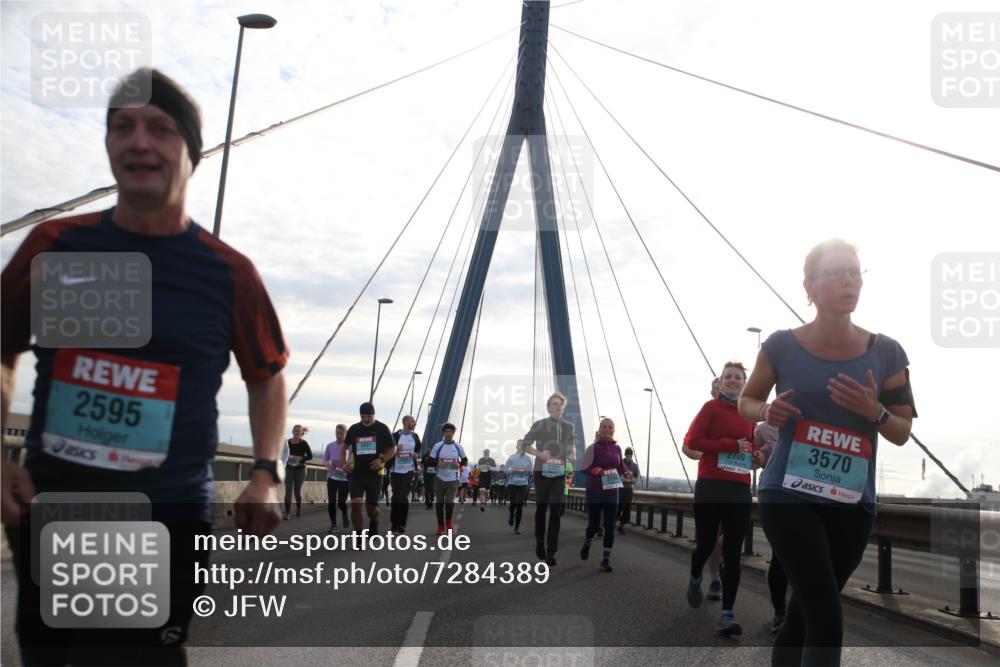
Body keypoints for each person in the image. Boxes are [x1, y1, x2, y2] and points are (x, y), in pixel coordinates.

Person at [0, 68, 288, 665]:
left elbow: (266, 375)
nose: (139, 142)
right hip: (52, 504)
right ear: (107, 145)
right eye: (122, 127)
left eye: (160, 129)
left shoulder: (226, 272)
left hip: (164, 514)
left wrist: (264, 472)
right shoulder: (58, 246)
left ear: (191, 152)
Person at [739, 239, 916, 666]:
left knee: (803, 617)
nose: (849, 282)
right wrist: (766, 410)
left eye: (855, 273)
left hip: (852, 504)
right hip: (789, 494)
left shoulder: (888, 352)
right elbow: (747, 400)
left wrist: (872, 411)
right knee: (825, 616)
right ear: (810, 286)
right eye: (836, 273)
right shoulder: (780, 346)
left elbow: (902, 431)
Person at [684, 361, 757, 637]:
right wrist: (730, 445)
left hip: (739, 488)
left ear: (744, 383)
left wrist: (756, 455)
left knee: (733, 553)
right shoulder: (710, 408)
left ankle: (727, 614)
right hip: (711, 485)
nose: (733, 380)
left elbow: (750, 447)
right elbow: (694, 441)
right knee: (705, 543)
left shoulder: (750, 415)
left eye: (738, 377)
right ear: (722, 381)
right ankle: (695, 576)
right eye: (728, 377)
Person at [519, 392, 576, 567]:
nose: (557, 406)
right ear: (548, 407)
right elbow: (524, 445)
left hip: (559, 472)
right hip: (541, 472)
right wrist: (540, 454)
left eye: (560, 404)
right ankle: (539, 542)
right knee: (542, 509)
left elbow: (570, 444)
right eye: (554, 404)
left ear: (563, 407)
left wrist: (572, 452)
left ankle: (552, 551)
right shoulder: (539, 424)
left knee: (556, 511)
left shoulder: (568, 426)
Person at [682, 377, 725, 600]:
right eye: (717, 389)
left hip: (736, 484)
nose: (722, 391)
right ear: (712, 392)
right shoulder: (706, 413)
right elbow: (687, 445)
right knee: (711, 535)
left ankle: (720, 569)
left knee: (730, 533)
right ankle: (715, 577)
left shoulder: (744, 414)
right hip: (710, 481)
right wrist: (702, 454)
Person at [579, 418, 631, 572]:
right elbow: (583, 468)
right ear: (600, 430)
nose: (607, 429)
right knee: (594, 526)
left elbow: (621, 467)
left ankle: (605, 560)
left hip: (612, 491)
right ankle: (587, 543)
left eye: (610, 427)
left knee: (610, 526)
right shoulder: (593, 448)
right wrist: (593, 471)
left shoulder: (617, 448)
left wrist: (627, 472)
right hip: (595, 491)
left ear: (613, 430)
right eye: (604, 427)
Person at [752, 420, 789, 633]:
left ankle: (799, 610)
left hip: (809, 493)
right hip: (776, 493)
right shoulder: (765, 428)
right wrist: (757, 455)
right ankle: (780, 610)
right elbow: (751, 462)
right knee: (781, 554)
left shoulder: (817, 418)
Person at [343, 402, 396, 537]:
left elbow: (393, 448)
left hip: (374, 474)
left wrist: (382, 460)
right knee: (356, 504)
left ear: (374, 415)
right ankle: (359, 536)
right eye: (363, 417)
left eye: (369, 416)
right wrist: (344, 463)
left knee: (371, 510)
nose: (366, 419)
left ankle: (374, 521)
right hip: (357, 473)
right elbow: (344, 447)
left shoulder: (382, 428)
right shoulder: (354, 429)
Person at [427, 423, 467, 535]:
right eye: (446, 432)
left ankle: (448, 523)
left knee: (449, 502)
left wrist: (459, 464)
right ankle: (440, 526)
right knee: (439, 503)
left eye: (451, 432)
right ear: (443, 433)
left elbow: (465, 460)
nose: (449, 434)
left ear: (453, 434)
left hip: (453, 479)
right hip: (440, 478)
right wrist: (437, 463)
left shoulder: (458, 447)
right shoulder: (438, 446)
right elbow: (430, 461)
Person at [390, 415, 422, 534]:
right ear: (406, 422)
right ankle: (394, 523)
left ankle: (402, 524)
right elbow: (387, 449)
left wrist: (416, 455)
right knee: (396, 496)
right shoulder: (396, 436)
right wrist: (395, 448)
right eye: (412, 421)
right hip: (395, 470)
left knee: (403, 496)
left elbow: (418, 449)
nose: (415, 423)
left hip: (409, 470)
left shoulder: (415, 436)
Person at [324, 424, 352, 534]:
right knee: (331, 502)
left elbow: (353, 460)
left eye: (341, 433)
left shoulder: (350, 447)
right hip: (332, 477)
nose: (338, 435)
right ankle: (333, 525)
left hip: (345, 479)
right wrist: (328, 464)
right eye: (337, 433)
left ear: (346, 434)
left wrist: (346, 464)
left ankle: (344, 513)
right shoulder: (330, 446)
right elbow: (325, 459)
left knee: (341, 502)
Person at [284, 424, 313, 519]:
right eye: (295, 430)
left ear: (301, 433)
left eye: (298, 431)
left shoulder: (304, 443)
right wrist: (288, 457)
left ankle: (299, 507)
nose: (296, 432)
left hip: (300, 469)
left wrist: (300, 458)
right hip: (289, 468)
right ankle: (287, 513)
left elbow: (310, 456)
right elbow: (281, 453)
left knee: (297, 490)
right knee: (288, 490)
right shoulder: (287, 442)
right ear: (292, 432)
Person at [505, 440, 532, 534]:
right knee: (513, 504)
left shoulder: (528, 458)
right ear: (516, 447)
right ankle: (511, 514)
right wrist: (512, 470)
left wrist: (526, 470)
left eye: (523, 445)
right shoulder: (512, 457)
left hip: (523, 483)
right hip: (512, 483)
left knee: (519, 504)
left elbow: (531, 471)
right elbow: (505, 469)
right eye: (520, 445)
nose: (522, 447)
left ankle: (516, 527)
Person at [617, 447, 640, 534]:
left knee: (627, 509)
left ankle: (621, 526)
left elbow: (636, 476)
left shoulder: (635, 466)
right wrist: (621, 479)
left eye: (630, 456)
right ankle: (613, 521)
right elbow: (616, 473)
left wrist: (633, 480)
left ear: (632, 456)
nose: (628, 457)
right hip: (620, 488)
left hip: (629, 489)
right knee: (619, 507)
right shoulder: (620, 463)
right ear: (625, 455)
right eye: (627, 455)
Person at [422, 445, 438, 510]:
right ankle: (428, 502)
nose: (430, 450)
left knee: (431, 488)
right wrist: (423, 469)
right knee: (427, 488)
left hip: (433, 475)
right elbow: (422, 463)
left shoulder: (435, 456)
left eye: (431, 449)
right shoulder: (425, 456)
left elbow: (438, 464)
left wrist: (436, 471)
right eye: (429, 449)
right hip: (426, 474)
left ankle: (431, 499)